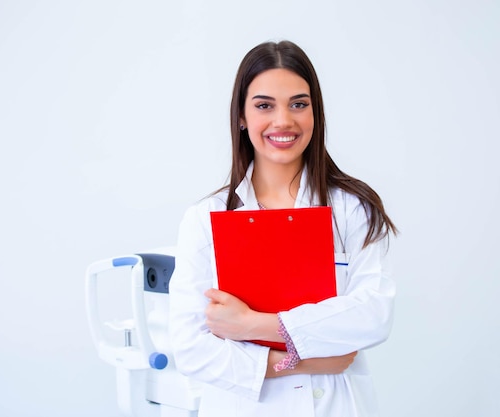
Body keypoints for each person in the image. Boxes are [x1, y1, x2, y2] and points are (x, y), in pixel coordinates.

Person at [168, 40, 397, 417]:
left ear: (315, 113)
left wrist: (249, 325)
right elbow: (191, 350)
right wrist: (309, 359)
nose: (283, 121)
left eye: (298, 104)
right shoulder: (205, 218)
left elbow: (372, 317)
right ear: (241, 117)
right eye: (264, 106)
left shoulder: (353, 209)